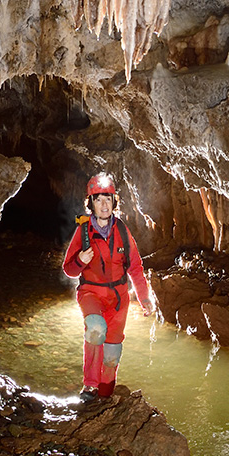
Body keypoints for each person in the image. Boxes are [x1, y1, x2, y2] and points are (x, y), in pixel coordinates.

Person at [61, 171, 154, 401]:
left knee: (112, 352)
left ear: (114, 201)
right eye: (98, 199)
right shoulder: (83, 232)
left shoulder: (122, 231)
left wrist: (145, 298)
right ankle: (90, 386)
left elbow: (135, 268)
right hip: (90, 292)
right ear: (91, 203)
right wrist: (80, 260)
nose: (104, 204)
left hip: (118, 298)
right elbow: (69, 270)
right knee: (95, 328)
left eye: (108, 198)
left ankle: (105, 394)